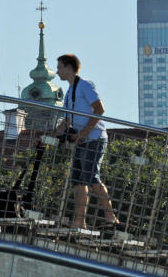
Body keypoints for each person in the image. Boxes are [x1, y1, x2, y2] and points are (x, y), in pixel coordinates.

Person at [53, 53, 119, 230]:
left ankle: (111, 218)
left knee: (92, 176)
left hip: (95, 139)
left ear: (69, 68)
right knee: (78, 180)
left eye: (59, 67)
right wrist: (51, 137)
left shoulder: (85, 85)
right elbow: (67, 121)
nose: (57, 71)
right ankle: (79, 222)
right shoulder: (68, 93)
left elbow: (99, 109)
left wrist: (83, 133)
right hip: (82, 141)